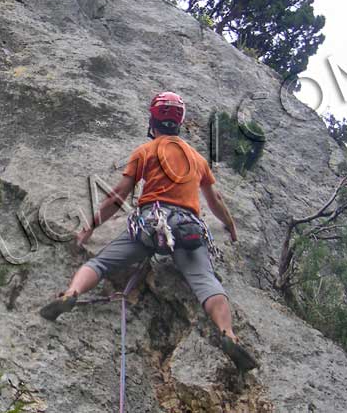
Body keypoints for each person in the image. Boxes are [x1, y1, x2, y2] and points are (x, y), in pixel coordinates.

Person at [40, 92, 257, 371]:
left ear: (153, 121)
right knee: (206, 280)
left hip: (150, 225)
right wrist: (231, 224)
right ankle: (228, 333)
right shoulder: (197, 159)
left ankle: (71, 293)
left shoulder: (146, 151)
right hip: (187, 228)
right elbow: (215, 201)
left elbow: (118, 194)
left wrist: (89, 227)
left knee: (100, 263)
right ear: (179, 124)